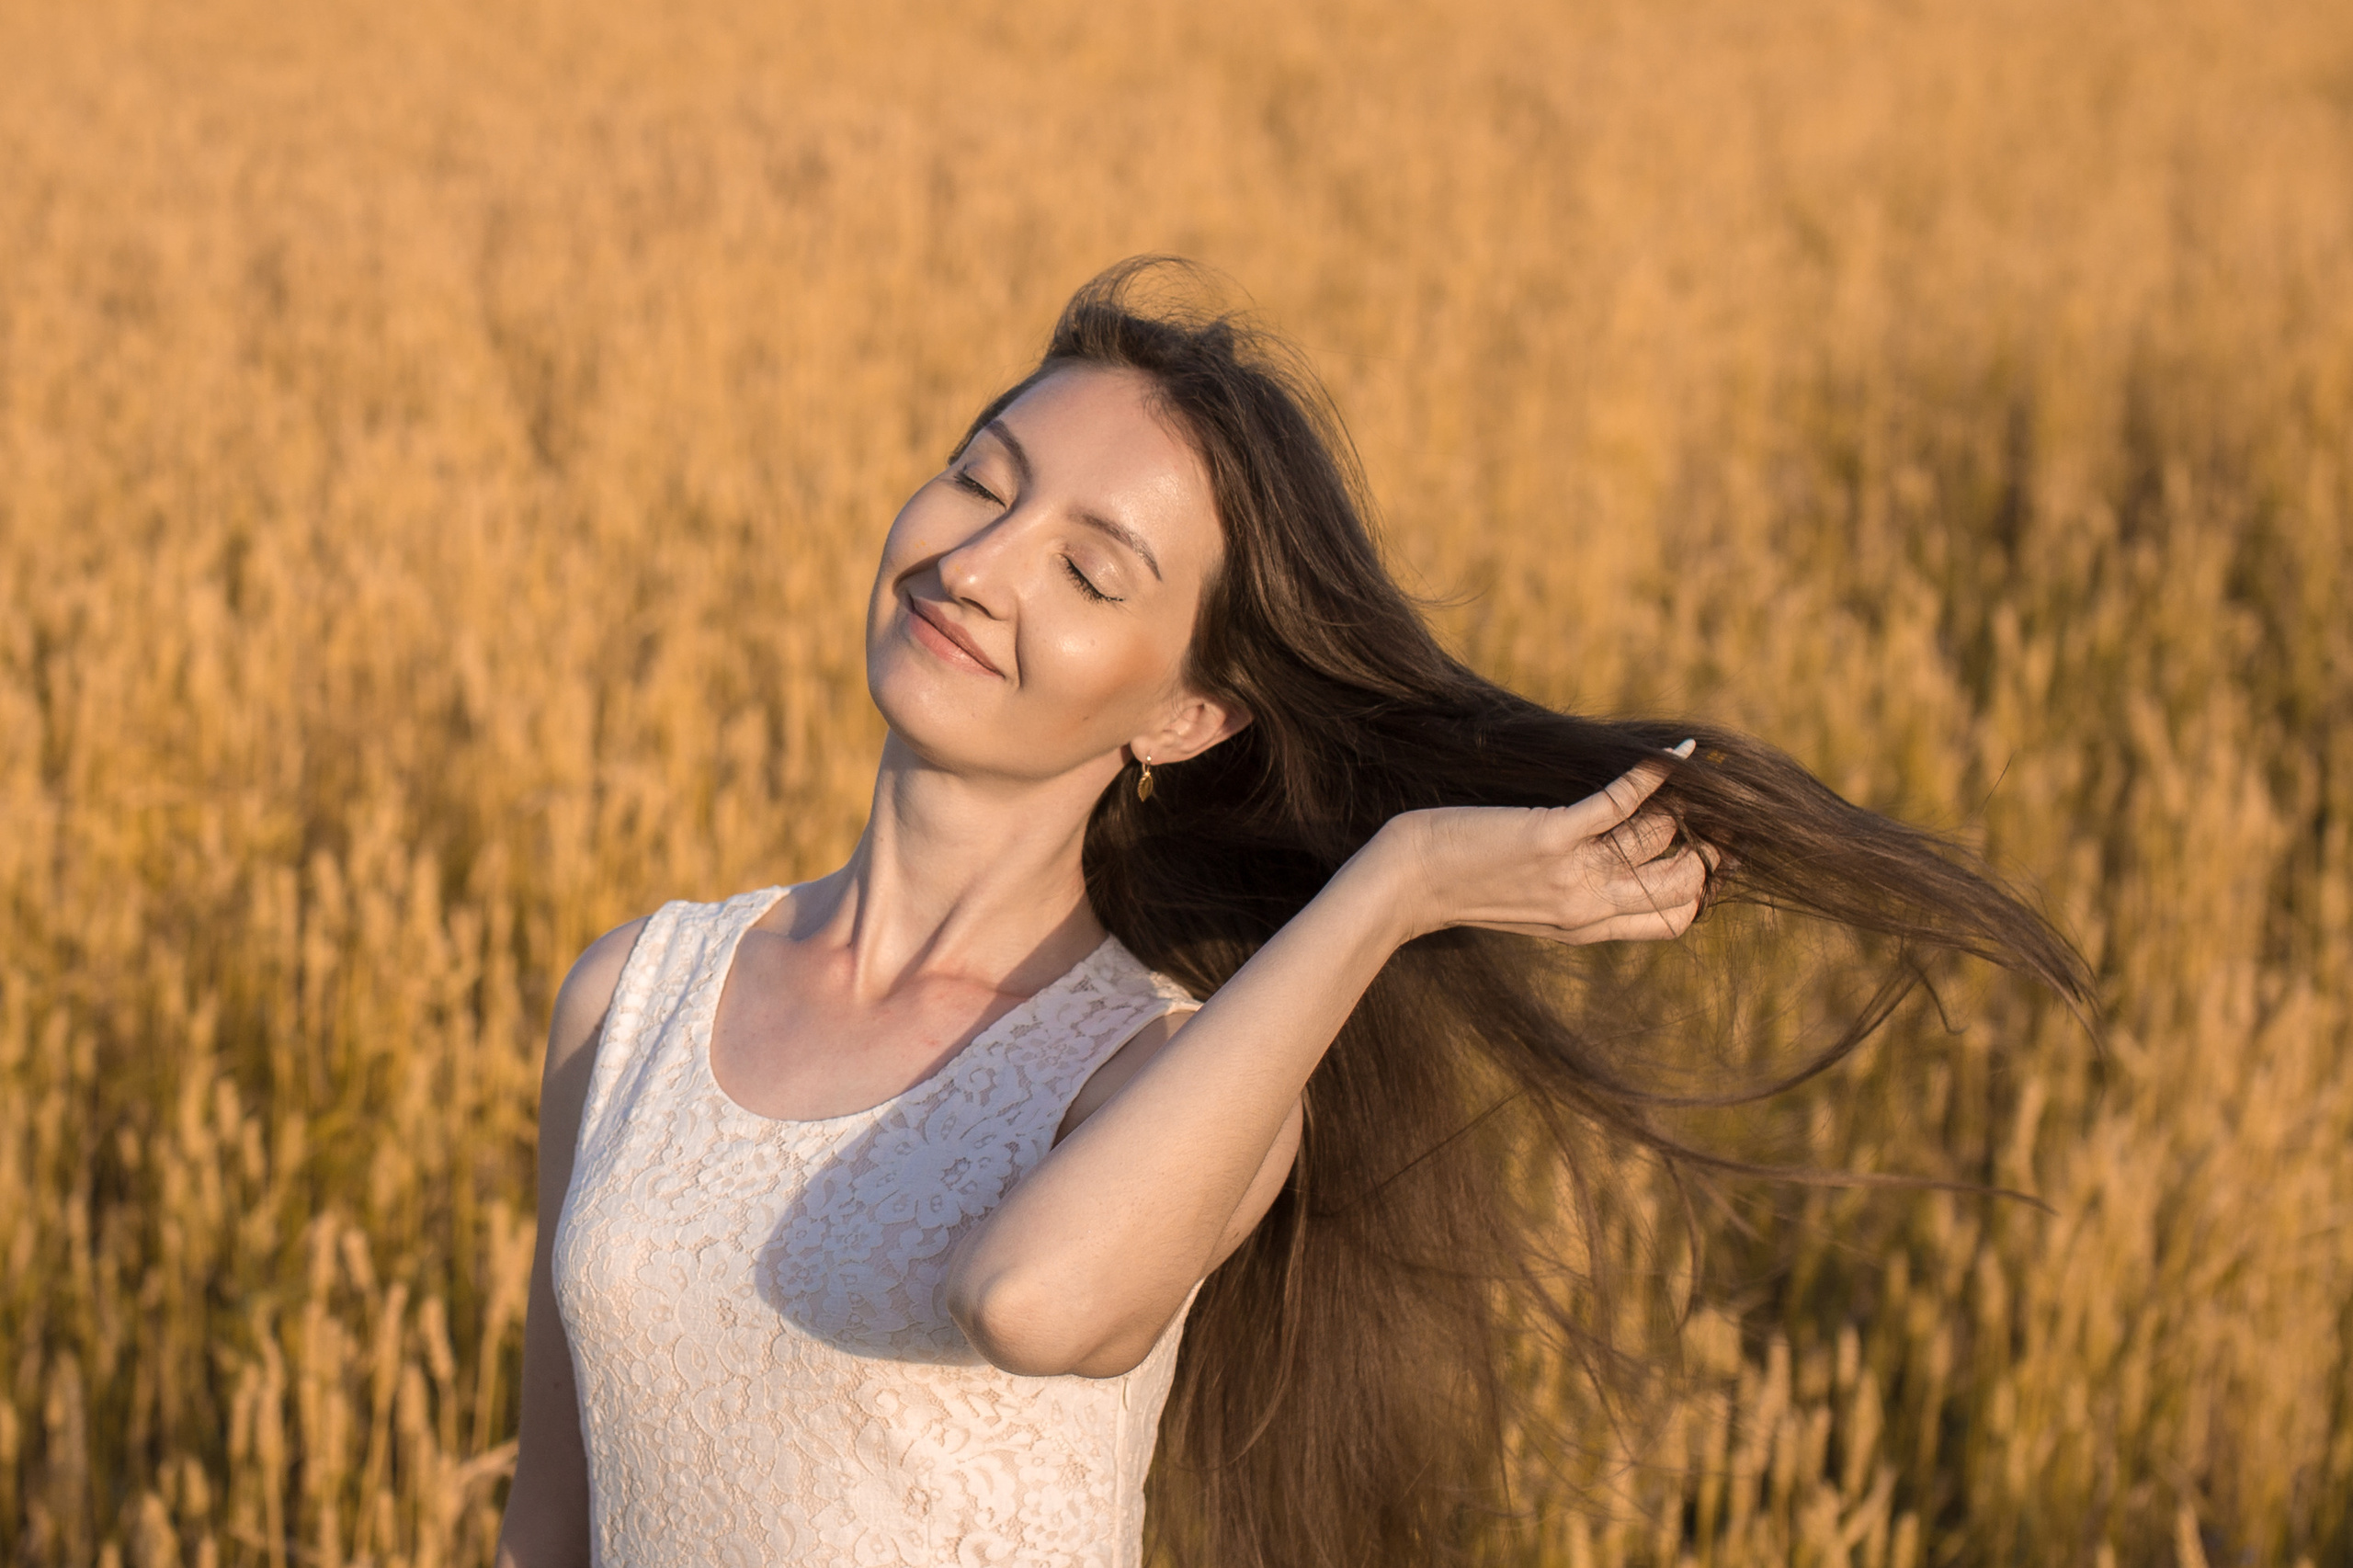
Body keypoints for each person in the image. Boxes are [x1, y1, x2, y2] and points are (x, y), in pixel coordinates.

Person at [494, 259, 2088, 1568]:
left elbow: (1034, 1301)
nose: (977, 564)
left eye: (1090, 571)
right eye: (980, 480)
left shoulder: (1169, 1071)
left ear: (1187, 716)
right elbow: (551, 1526)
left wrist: (1394, 887)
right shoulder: (635, 994)